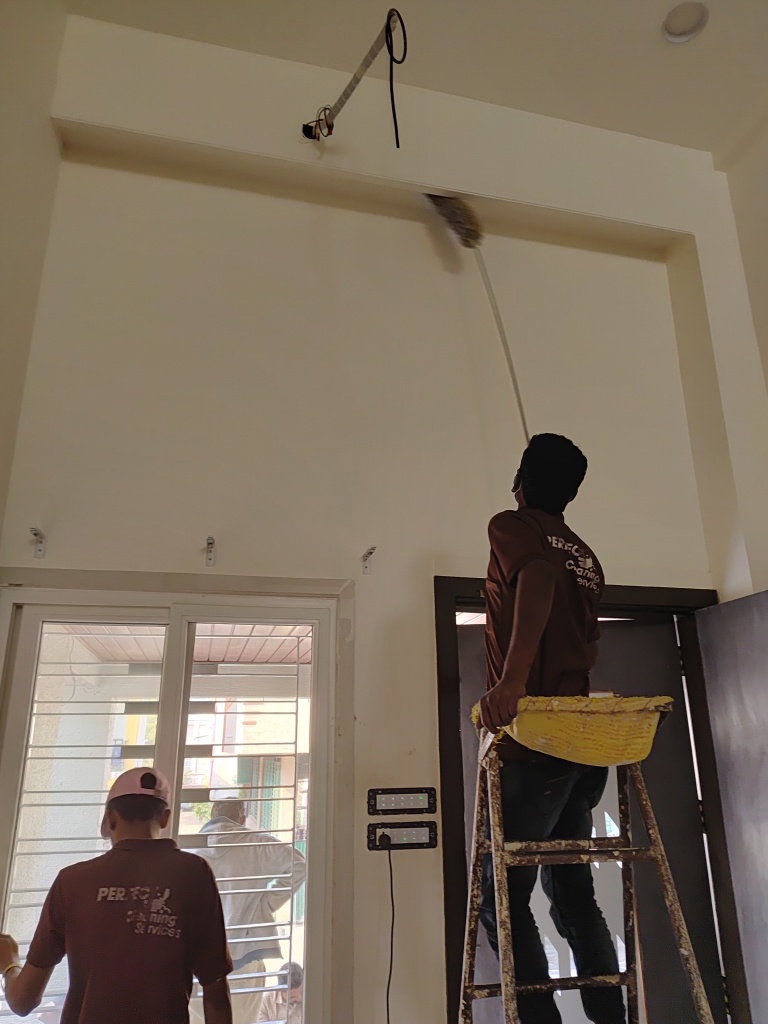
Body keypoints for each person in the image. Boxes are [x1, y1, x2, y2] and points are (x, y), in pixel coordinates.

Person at [478, 433, 625, 1024]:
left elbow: (536, 578)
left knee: (501, 897)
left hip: (535, 737)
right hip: (577, 742)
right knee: (572, 892)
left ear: (520, 481)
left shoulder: (512, 526)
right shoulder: (587, 557)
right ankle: (610, 1016)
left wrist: (512, 681)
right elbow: (586, 643)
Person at [0, 767, 233, 1024]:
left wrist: (9, 962)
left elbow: (23, 1001)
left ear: (111, 819)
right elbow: (216, 995)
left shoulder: (72, 882)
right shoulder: (194, 874)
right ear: (165, 818)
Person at [190, 799, 307, 1024]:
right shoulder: (257, 844)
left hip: (198, 963)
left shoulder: (192, 849)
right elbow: (299, 865)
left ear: (211, 817)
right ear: (242, 819)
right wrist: (266, 903)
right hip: (245, 959)